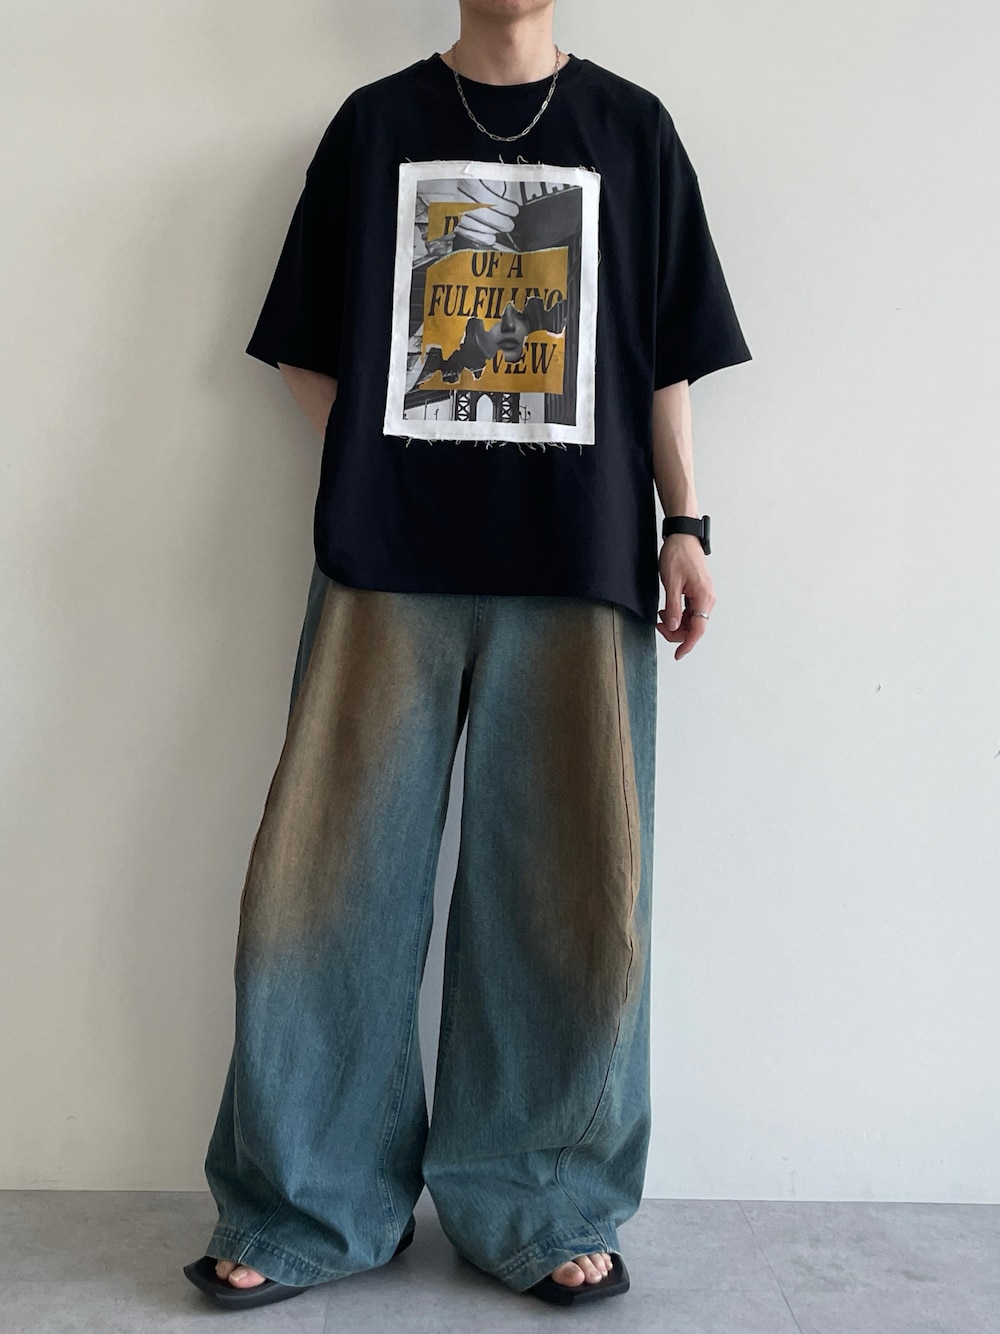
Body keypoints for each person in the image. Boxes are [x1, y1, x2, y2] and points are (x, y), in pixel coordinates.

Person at [183, 0, 751, 1313]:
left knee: (572, 889)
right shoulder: (377, 125)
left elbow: (662, 357)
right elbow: (305, 347)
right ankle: (310, 1202)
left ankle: (541, 1198)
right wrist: (385, 465)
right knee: (325, 884)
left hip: (582, 564)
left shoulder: (631, 130)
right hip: (386, 566)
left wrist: (686, 524)